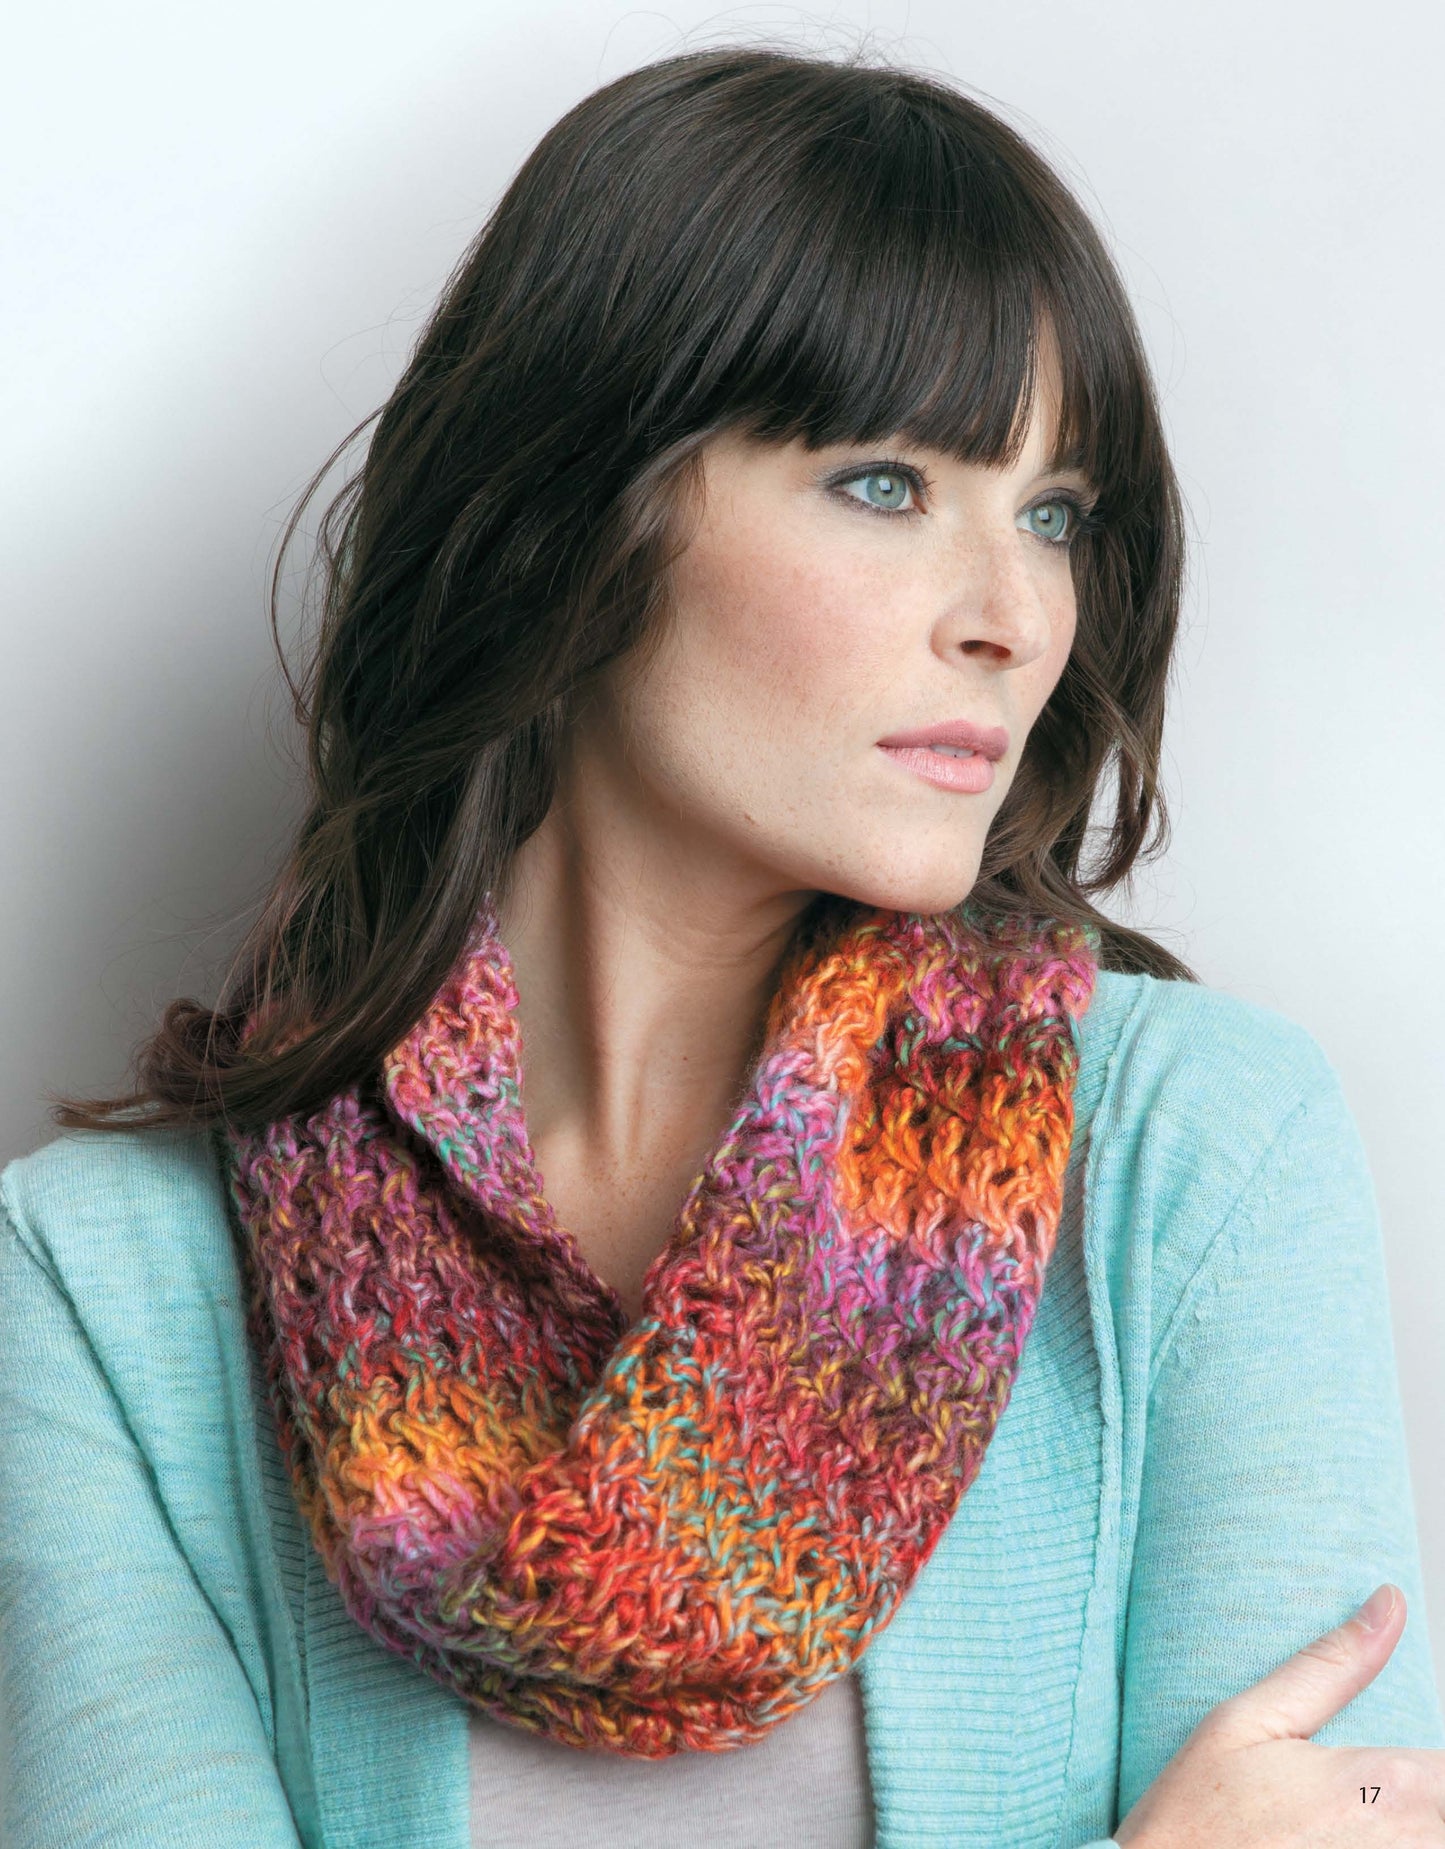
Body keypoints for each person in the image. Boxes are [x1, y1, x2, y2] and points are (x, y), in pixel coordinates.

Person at [1, 43, 1440, 1849]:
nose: (1013, 616)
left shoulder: (1194, 1165)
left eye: (1053, 514)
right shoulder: (109, 1292)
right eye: (887, 483)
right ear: (578, 506)